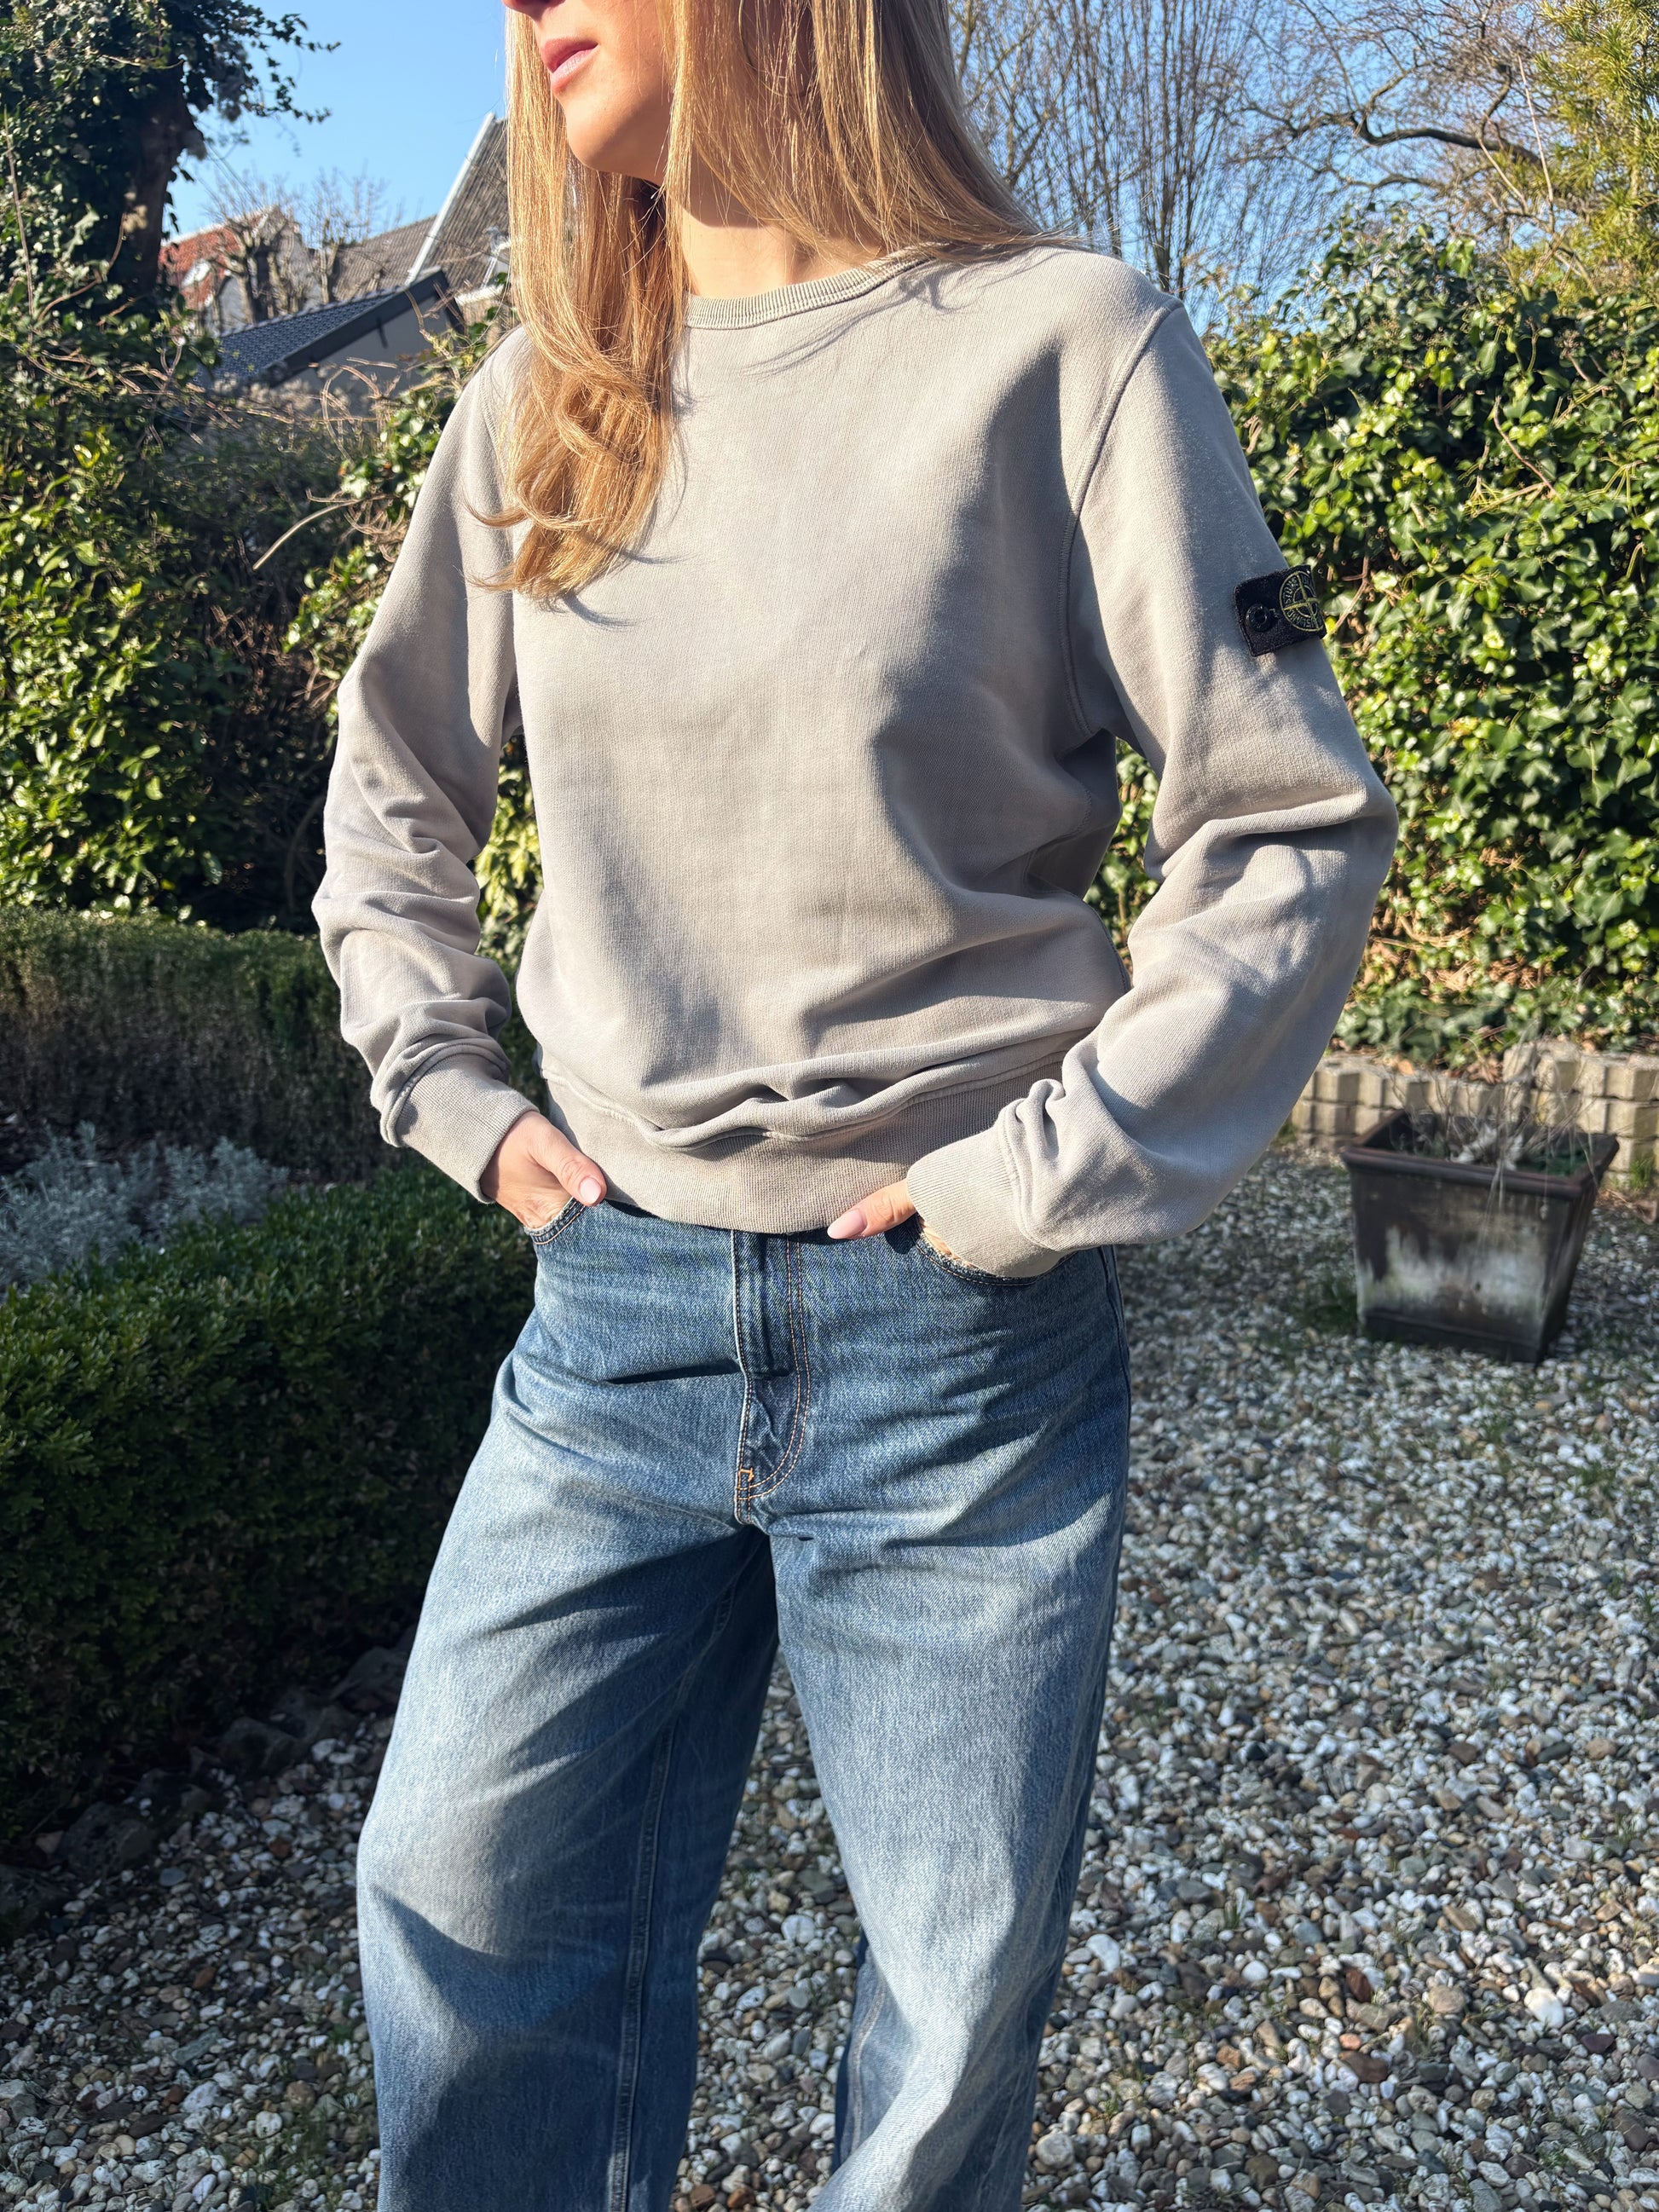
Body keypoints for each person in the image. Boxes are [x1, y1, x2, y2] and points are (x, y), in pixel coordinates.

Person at [312, 0, 1397, 2197]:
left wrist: (1037, 1179)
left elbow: (1286, 820)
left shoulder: (1062, 348)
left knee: (947, 2019)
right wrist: (452, 1088)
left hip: (952, 1346)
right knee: (454, 1907)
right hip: (609, 1322)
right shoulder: (548, 398)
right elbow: (393, 780)